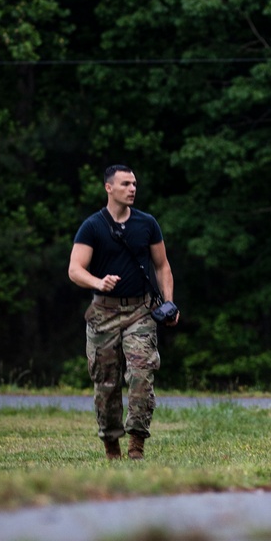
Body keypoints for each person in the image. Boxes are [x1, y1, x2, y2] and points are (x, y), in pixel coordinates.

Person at [68, 164, 179, 461]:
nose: (132, 189)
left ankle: (137, 445)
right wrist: (98, 282)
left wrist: (168, 302)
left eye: (134, 184)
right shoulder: (92, 226)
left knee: (142, 374)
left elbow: (162, 265)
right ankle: (111, 445)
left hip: (140, 311)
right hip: (103, 314)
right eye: (126, 184)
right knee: (105, 382)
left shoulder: (147, 223)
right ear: (109, 188)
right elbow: (75, 269)